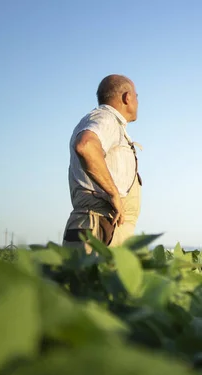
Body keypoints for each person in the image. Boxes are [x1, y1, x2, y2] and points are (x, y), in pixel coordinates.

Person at [62, 74, 142, 250]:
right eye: (137, 96)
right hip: (100, 228)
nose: (137, 102)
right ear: (127, 97)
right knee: (94, 277)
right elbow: (86, 145)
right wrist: (113, 193)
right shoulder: (106, 119)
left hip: (99, 226)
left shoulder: (103, 121)